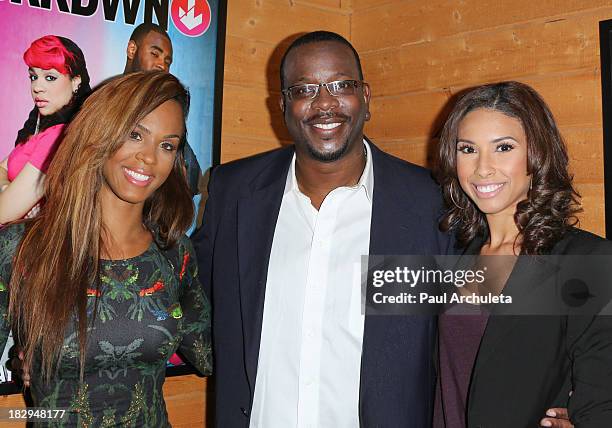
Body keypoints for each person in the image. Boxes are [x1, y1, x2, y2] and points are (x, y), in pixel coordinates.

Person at [192, 30, 451, 427]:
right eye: (305, 89)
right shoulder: (234, 193)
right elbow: (189, 297)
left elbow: (477, 328)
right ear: (282, 105)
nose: (325, 103)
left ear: (366, 97)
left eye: (341, 85)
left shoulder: (430, 203)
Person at [0, 71, 211, 426]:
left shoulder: (174, 252)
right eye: (134, 135)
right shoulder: (21, 249)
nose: (148, 158)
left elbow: (206, 355)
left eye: (167, 145)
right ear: (100, 133)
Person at [434, 81, 612, 427]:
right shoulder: (453, 253)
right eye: (467, 149)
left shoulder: (586, 260)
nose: (482, 167)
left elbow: (604, 398)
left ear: (537, 154)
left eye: (503, 147)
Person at [0, 35, 91, 223]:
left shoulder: (58, 137)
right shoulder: (38, 129)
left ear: (75, 81)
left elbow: (3, 212)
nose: (37, 87)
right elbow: (2, 168)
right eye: (33, 76)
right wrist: (6, 187)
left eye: (50, 77)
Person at [124, 22, 201, 199]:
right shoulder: (103, 99)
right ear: (131, 49)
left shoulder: (166, 109)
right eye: (155, 54)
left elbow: (192, 175)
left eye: (167, 61)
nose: (161, 65)